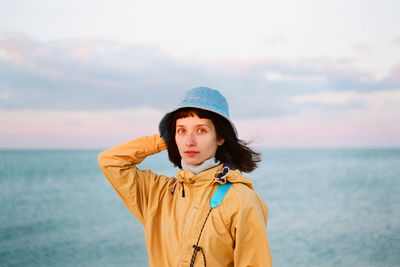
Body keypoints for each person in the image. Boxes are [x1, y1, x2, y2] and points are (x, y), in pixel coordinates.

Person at [98, 87, 272, 267]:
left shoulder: (241, 200)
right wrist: (165, 138)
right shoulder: (158, 195)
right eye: (181, 130)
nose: (189, 142)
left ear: (220, 137)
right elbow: (110, 161)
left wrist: (178, 132)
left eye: (201, 130)